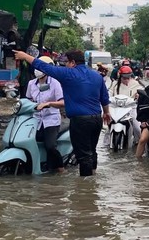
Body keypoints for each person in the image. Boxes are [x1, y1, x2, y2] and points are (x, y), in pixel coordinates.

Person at [15, 48, 110, 177]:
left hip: (80, 120)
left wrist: (25, 56)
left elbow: (45, 67)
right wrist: (106, 113)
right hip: (97, 119)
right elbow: (104, 98)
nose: (65, 65)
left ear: (72, 62)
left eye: (67, 62)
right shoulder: (96, 76)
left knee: (83, 155)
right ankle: (93, 176)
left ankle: (86, 189)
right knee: (91, 150)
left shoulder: (69, 74)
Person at [25, 56, 66, 173]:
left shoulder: (55, 83)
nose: (37, 69)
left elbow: (62, 102)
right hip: (35, 119)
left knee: (50, 146)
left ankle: (60, 168)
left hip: (51, 119)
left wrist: (48, 103)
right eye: (36, 66)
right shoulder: (31, 83)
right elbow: (27, 100)